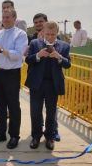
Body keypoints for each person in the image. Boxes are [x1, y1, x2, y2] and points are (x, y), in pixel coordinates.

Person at [25, 21, 71, 150]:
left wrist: (59, 56)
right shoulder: (34, 43)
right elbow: (28, 60)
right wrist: (38, 55)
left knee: (51, 113)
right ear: (43, 32)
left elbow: (68, 64)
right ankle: (36, 136)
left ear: (57, 33)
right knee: (35, 112)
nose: (50, 37)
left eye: (53, 34)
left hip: (53, 84)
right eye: (48, 34)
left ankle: (50, 137)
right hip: (37, 84)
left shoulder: (64, 46)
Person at [0, 6, 28, 149]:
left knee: (13, 106)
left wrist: (0, 49)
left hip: (11, 74)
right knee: (0, 106)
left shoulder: (21, 34)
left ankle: (14, 135)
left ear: (14, 19)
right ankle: (0, 133)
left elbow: (17, 55)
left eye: (8, 17)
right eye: (3, 17)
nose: (4, 20)